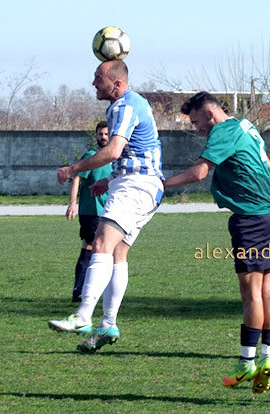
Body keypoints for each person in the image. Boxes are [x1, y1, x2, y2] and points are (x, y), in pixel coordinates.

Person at [163, 91, 270, 394]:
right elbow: (267, 165)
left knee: (251, 295)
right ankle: (267, 359)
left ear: (209, 113)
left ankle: (246, 362)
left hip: (251, 219)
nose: (196, 128)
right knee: (269, 290)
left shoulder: (222, 131)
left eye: (195, 121)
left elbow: (199, 172)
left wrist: (161, 184)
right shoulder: (246, 125)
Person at [49, 60, 164, 353]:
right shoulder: (134, 103)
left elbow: (113, 151)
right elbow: (135, 151)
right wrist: (110, 180)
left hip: (136, 186)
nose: (93, 83)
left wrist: (73, 169)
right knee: (117, 254)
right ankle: (108, 323)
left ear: (117, 83)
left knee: (99, 243)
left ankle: (83, 316)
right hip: (147, 186)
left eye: (98, 78)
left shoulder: (124, 105)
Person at [65, 121, 112, 303]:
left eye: (107, 134)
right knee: (93, 247)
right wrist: (72, 203)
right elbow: (77, 179)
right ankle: (82, 290)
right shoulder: (91, 157)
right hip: (91, 211)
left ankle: (84, 289)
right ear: (96, 136)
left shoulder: (115, 158)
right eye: (100, 134)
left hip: (109, 211)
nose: (103, 137)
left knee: (99, 249)